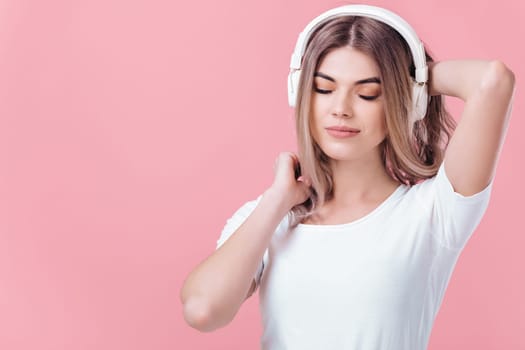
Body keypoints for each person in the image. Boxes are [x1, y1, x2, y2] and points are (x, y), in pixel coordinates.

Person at [180, 4, 515, 349]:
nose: (341, 107)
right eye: (324, 89)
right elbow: (202, 310)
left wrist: (410, 75)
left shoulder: (433, 213)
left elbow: (493, 81)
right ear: (300, 94)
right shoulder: (267, 218)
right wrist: (276, 202)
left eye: (368, 92)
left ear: (405, 100)